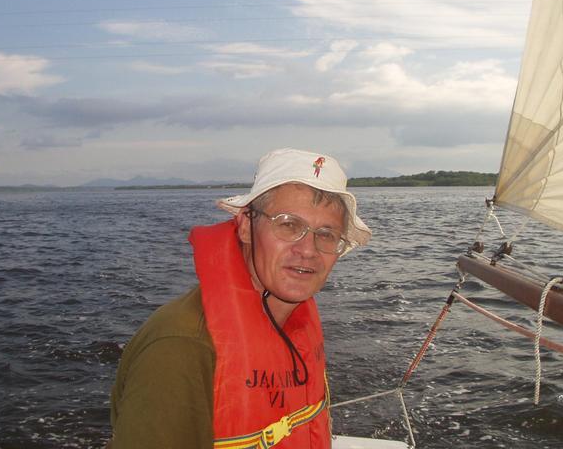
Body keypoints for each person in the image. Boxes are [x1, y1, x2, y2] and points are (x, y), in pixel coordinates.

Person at [108, 148, 371, 449]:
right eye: (288, 225)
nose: (308, 250)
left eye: (326, 234)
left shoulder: (286, 320)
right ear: (246, 225)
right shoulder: (182, 346)